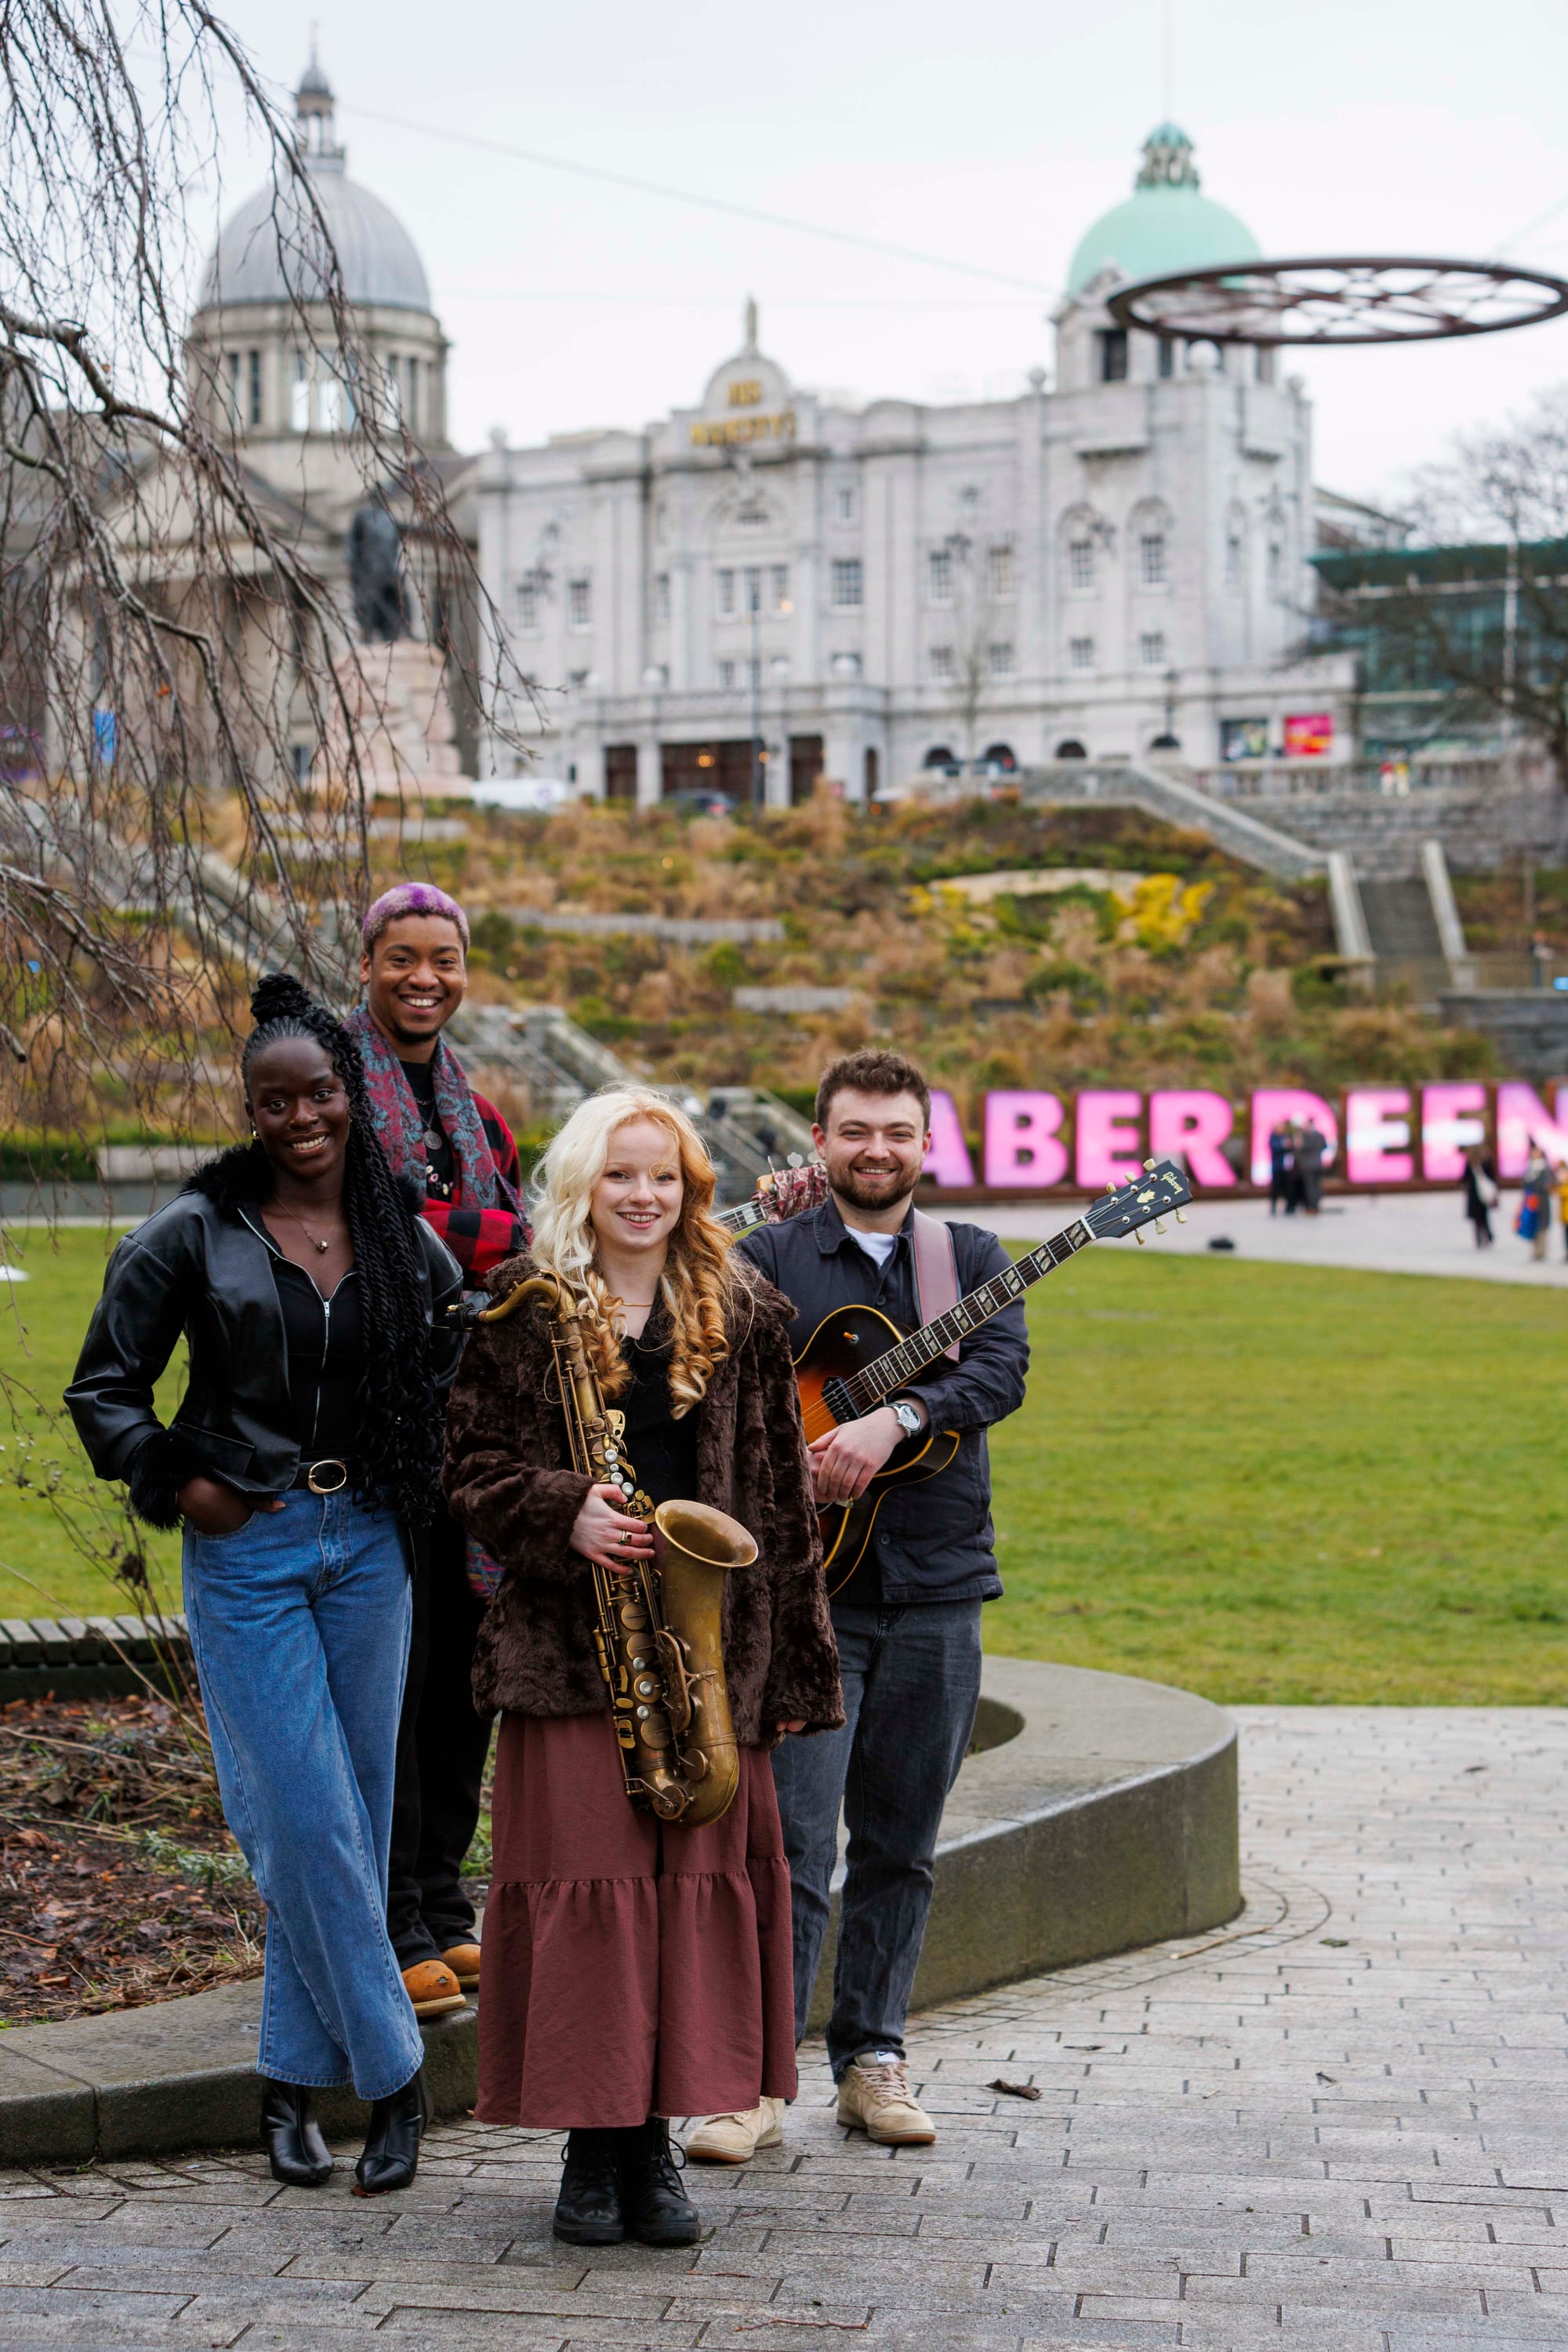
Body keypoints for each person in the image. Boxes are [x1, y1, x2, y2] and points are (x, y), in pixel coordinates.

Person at [65, 976, 462, 2195]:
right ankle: (398, 2084)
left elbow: (458, 1332)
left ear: (352, 1094)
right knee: (300, 1818)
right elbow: (105, 1390)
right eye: (274, 1100)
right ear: (249, 1107)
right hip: (251, 1549)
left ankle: (287, 2087)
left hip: (373, 1550)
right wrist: (186, 1483)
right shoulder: (195, 1227)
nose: (301, 1117)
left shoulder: (396, 1225)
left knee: (356, 1818)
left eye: (321, 1093)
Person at [441, 1087, 841, 2249]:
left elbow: (776, 1493)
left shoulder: (745, 1307)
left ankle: (655, 2142)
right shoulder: (528, 1310)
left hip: (706, 1658)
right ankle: (592, 2144)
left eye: (663, 1176)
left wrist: (775, 1675)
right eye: (620, 1174)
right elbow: (466, 1466)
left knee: (683, 1913)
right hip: (575, 1655)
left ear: (691, 1189)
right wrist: (563, 1513)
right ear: (582, 1183)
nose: (643, 1195)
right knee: (592, 1907)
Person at [693, 1047, 1029, 2161]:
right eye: (854, 1131)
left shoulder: (968, 1260)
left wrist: (902, 1419)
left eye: (897, 1133)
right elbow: (713, 1380)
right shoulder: (770, 1256)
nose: (875, 1151)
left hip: (935, 1589)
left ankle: (872, 2062)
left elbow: (998, 1374)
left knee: (902, 1841)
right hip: (804, 1602)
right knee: (788, 1844)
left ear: (926, 1145)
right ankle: (757, 2078)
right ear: (821, 1143)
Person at [344, 884, 532, 2024]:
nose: (426, 977)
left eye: (445, 959)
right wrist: (532, 1236)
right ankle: (392, 1917)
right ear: (366, 963)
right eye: (403, 957)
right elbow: (389, 1222)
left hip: (474, 1421)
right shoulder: (332, 1085)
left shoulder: (480, 1111)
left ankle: (441, 1903)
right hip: (378, 1425)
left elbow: (485, 1230)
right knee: (398, 1677)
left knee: (467, 1668)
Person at [1518, 1148, 1552, 1261]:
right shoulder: (1530, 1168)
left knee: (1542, 1225)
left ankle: (1541, 1251)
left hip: (1541, 1201)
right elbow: (1524, 1183)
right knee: (1532, 1224)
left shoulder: (1545, 1168)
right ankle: (1535, 1250)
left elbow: (1546, 1184)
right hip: (1531, 1201)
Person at [1461, 1145, 1497, 1250]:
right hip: (1483, 1194)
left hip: (1474, 1194)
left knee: (1476, 1218)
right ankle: (1488, 1235)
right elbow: (1492, 1177)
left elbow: (1465, 1178)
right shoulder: (1486, 1161)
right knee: (1484, 1216)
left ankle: (1479, 1238)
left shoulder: (1470, 1162)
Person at [1294, 1117, 1327, 1217]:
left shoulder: (1305, 1136)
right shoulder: (1320, 1135)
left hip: (1308, 1165)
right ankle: (1316, 1206)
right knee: (1317, 1187)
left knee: (1310, 1187)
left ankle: (1312, 1207)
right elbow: (1324, 1146)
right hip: (1318, 1164)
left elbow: (1301, 1147)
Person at [1267, 1120, 1293, 1215]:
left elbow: (1290, 1149)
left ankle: (1289, 1206)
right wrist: (1283, 1145)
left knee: (1287, 1188)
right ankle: (1273, 1206)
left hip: (1286, 1167)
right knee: (1275, 1188)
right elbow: (1274, 1147)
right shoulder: (1273, 1138)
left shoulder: (1285, 1137)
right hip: (1277, 1167)